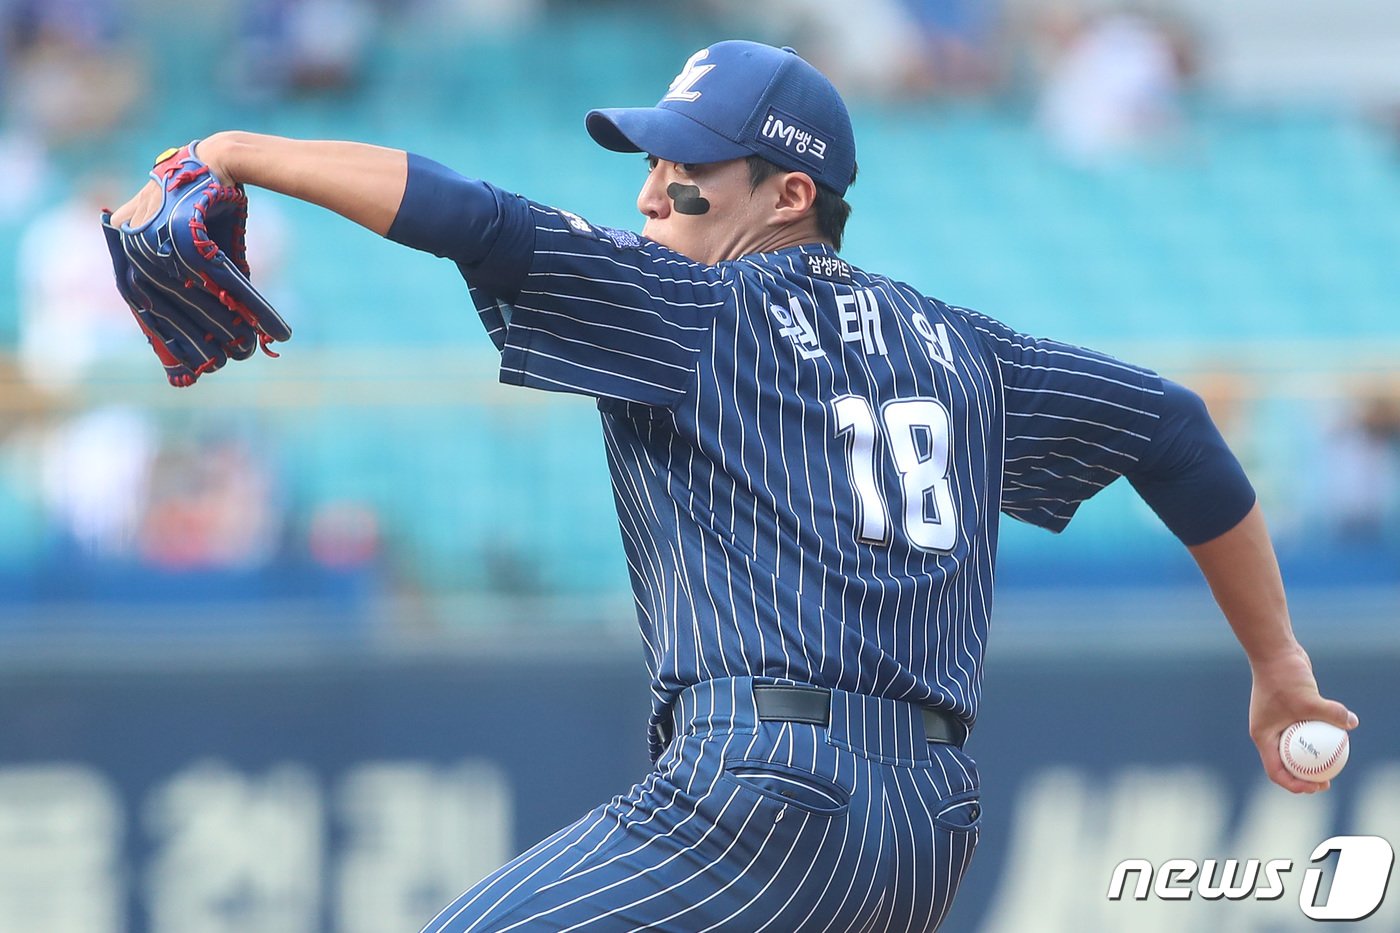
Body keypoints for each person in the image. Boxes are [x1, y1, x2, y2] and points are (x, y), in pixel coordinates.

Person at [108, 39, 1356, 933]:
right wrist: (1277, 666)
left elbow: (473, 217)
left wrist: (231, 150)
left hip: (757, 796)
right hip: (926, 826)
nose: (651, 190)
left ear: (788, 194)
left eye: (686, 167)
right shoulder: (970, 350)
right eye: (647, 160)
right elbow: (1175, 433)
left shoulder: (692, 308)